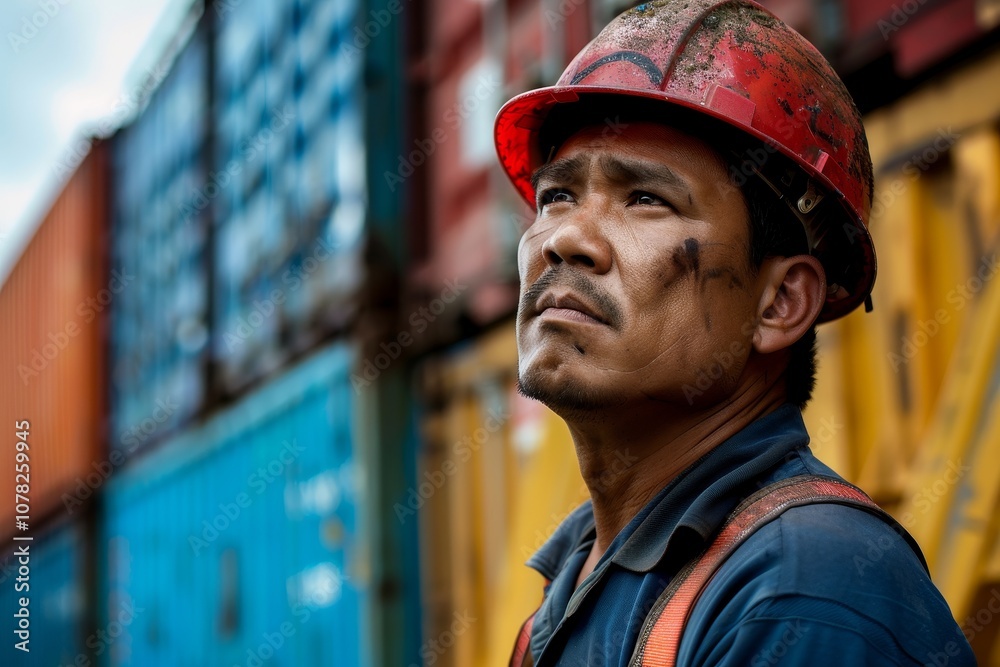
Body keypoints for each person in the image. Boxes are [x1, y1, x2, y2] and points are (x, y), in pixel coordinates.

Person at [492, 1, 976, 665]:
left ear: (779, 301)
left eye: (646, 199)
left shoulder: (803, 596)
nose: (566, 239)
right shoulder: (579, 578)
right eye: (557, 197)